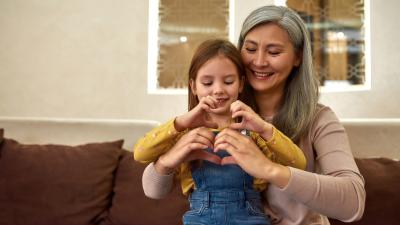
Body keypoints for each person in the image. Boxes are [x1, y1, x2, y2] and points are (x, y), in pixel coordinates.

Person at [138, 5, 366, 225]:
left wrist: (268, 168)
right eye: (250, 49)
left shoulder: (318, 119)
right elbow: (152, 189)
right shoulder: (219, 112)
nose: (259, 61)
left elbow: (354, 202)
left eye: (274, 51)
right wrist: (168, 160)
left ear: (297, 57)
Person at [134, 39, 307, 225]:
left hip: (249, 215)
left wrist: (264, 128)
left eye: (228, 81)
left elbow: (299, 163)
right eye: (207, 82)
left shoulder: (251, 131)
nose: (218, 90)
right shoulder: (185, 133)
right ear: (194, 87)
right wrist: (181, 122)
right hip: (200, 217)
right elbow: (140, 153)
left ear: (241, 84)